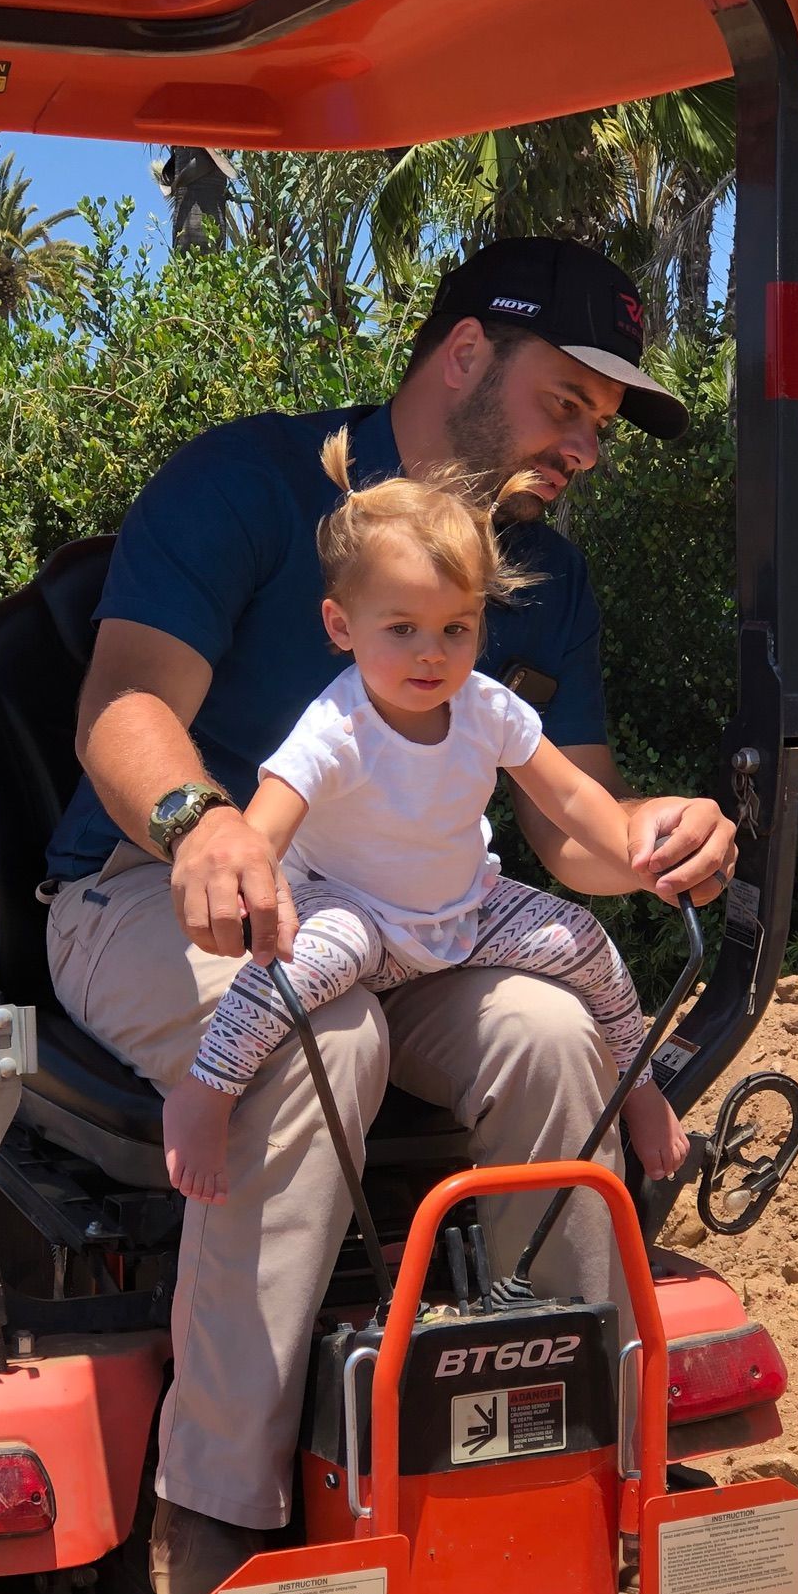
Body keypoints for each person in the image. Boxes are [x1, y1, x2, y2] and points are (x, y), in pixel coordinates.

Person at [44, 235, 738, 1594]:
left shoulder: (539, 579)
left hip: (418, 923)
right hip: (158, 893)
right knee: (322, 1035)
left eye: (603, 426)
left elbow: (570, 830)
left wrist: (664, 833)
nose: (584, 447)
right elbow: (120, 703)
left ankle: (552, 1467)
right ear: (466, 354)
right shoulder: (249, 484)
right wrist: (208, 822)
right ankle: (216, 1534)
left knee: (554, 1034)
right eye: (565, 403)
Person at [161, 429, 689, 1205]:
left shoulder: (486, 709)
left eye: (455, 628)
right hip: (355, 911)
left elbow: (572, 796)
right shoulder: (336, 725)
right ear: (342, 627)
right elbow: (263, 827)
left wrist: (639, 854)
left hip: (463, 908)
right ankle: (206, 1089)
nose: (430, 654)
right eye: (400, 627)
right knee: (297, 966)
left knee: (585, 941)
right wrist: (239, 877)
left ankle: (634, 1080)